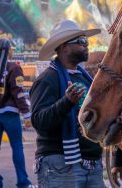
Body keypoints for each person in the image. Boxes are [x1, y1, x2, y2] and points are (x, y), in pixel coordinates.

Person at [29, 19, 103, 188]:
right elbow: (39, 122)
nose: (86, 45)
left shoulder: (85, 78)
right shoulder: (48, 79)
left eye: (86, 41)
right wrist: (67, 102)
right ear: (64, 47)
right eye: (81, 41)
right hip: (61, 165)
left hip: (91, 164)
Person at [0, 38, 35, 188]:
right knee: (17, 146)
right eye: (12, 48)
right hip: (9, 114)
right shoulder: (13, 67)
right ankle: (22, 182)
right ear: (8, 51)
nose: (13, 50)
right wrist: (27, 114)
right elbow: (19, 93)